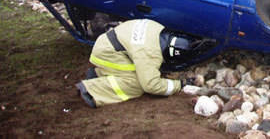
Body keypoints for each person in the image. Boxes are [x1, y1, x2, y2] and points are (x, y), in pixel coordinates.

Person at [76, 19, 214, 107]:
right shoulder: (150, 54)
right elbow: (151, 86)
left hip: (111, 45)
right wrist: (180, 84)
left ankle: (101, 73)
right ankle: (92, 90)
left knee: (142, 74)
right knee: (137, 85)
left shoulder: (158, 29)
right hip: (107, 54)